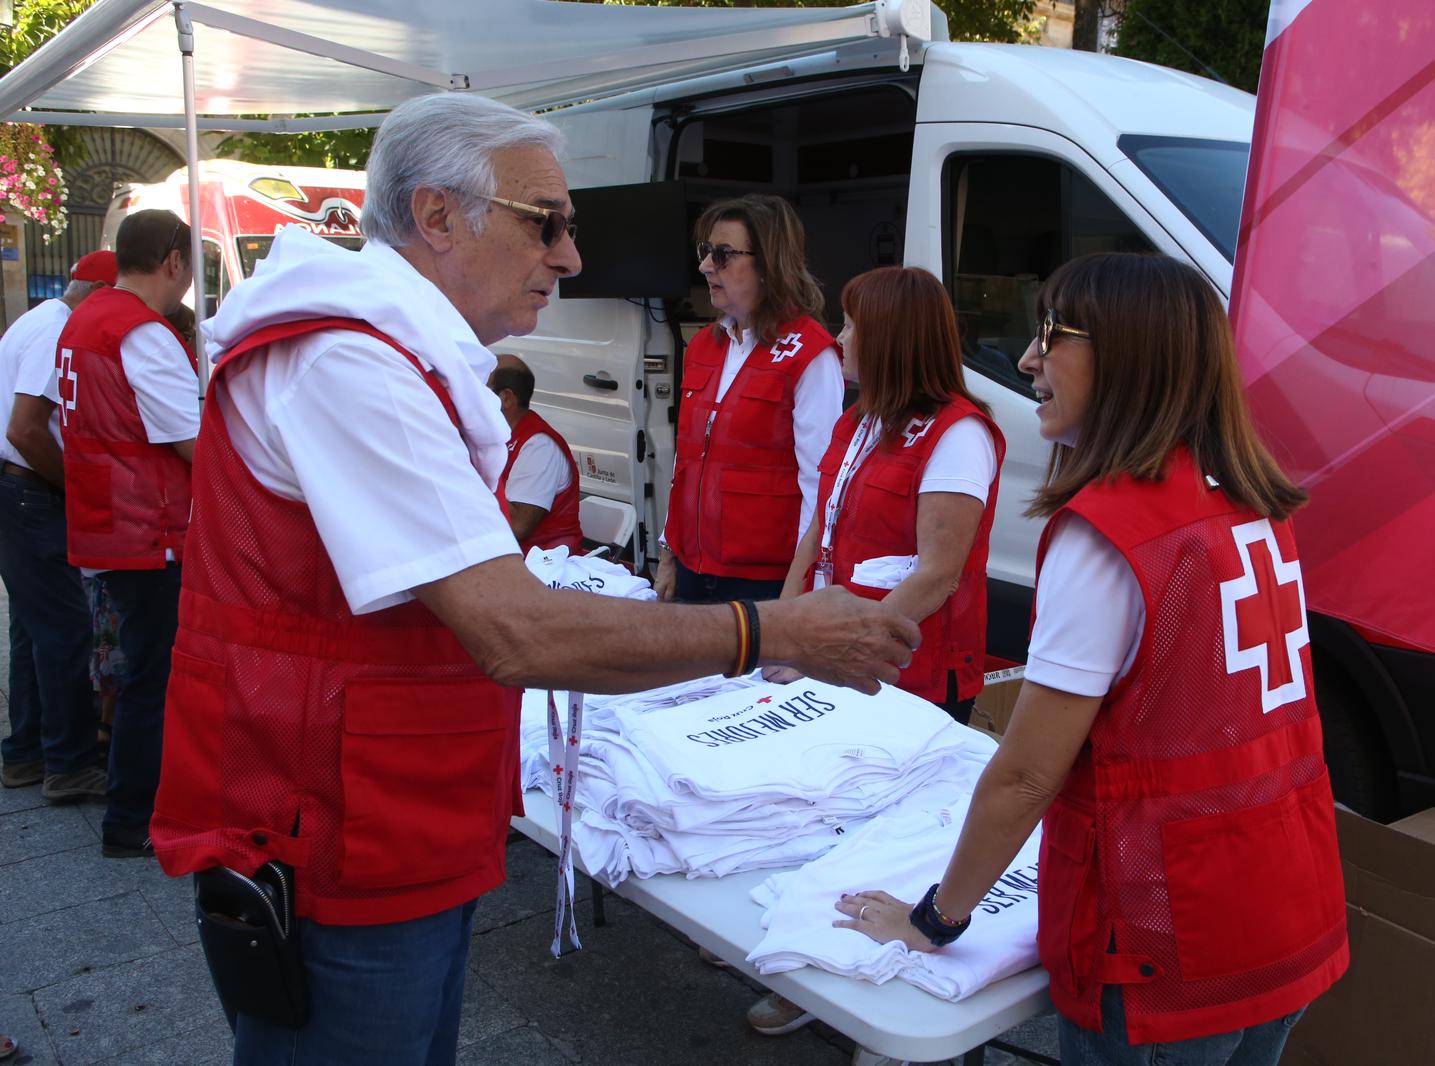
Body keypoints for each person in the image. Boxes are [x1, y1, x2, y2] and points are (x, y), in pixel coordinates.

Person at [148, 92, 917, 1066]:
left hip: (382, 814)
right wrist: (779, 631)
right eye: (544, 223)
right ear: (436, 216)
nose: (570, 256)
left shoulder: (375, 352)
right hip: (337, 830)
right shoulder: (352, 364)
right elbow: (514, 630)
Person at [834, 254, 1347, 1066]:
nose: (1030, 360)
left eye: (1052, 334)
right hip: (1283, 899)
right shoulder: (1251, 495)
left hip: (1162, 934)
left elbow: (1026, 775)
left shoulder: (1109, 531)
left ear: (1129, 353)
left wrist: (934, 919)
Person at [768, 266, 1005, 725]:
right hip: (836, 662)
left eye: (853, 325)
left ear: (890, 338)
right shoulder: (859, 419)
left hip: (908, 676)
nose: (840, 338)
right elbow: (820, 528)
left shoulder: (959, 434)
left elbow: (938, 576)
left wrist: (837, 653)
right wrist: (784, 628)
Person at [57, 215, 197, 860]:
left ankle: (134, 808)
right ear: (173, 261)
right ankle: (134, 817)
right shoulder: (144, 331)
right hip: (149, 526)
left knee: (140, 674)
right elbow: (189, 440)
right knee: (153, 679)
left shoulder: (88, 317)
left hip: (110, 518)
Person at [654, 194, 844, 604]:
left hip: (764, 584)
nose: (705, 266)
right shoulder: (704, 344)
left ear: (769, 263)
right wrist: (668, 554)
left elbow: (821, 484)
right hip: (692, 570)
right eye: (705, 251)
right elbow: (684, 462)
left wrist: (799, 590)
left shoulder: (811, 353)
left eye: (722, 254)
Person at [0, 251, 117, 800]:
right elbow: (26, 431)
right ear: (97, 291)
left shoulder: (41, 319)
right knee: (65, 630)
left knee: (32, 629)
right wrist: (75, 486)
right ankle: (67, 762)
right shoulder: (56, 332)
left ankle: (27, 752)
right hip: (28, 492)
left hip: (17, 492)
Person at [488, 353, 581, 554]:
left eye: (481, 391)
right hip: (513, 559)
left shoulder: (539, 445)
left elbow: (516, 526)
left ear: (506, 398)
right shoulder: (502, 436)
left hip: (544, 565)